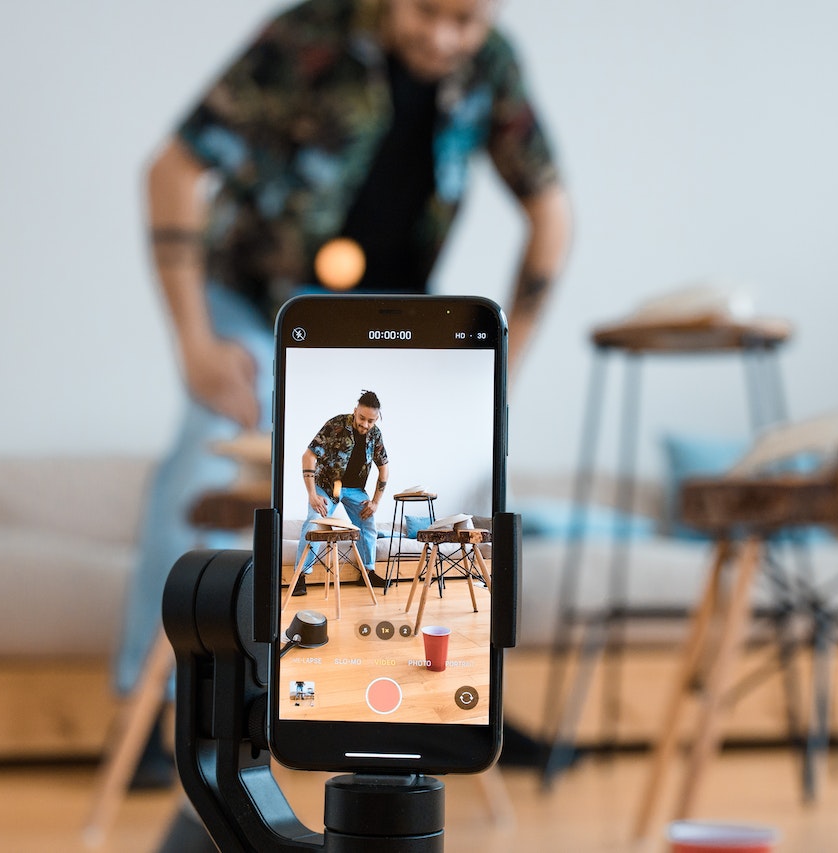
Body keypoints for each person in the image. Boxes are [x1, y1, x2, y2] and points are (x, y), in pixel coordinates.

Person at [116, 0, 573, 788]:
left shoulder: (490, 63)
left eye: (466, 21)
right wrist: (194, 341)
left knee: (465, 491)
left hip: (389, 318)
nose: (444, 36)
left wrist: (504, 372)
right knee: (203, 471)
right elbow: (172, 169)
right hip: (256, 303)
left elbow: (552, 213)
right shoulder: (307, 36)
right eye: (428, 11)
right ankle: (148, 714)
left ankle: (444, 692)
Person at [295, 391, 389, 594]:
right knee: (315, 521)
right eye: (362, 418)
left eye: (370, 421)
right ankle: (300, 576)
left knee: (368, 522)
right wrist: (312, 494)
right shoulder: (335, 425)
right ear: (355, 411)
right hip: (327, 487)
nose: (365, 424)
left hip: (355, 490)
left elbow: (384, 467)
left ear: (377, 418)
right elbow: (308, 456)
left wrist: (375, 502)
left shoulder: (375, 434)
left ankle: (367, 573)